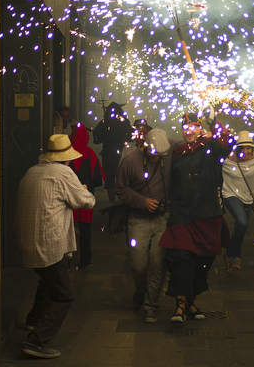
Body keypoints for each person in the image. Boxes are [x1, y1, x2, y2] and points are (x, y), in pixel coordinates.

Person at [14, 134, 96, 358]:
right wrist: (85, 188)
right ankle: (36, 341)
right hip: (48, 244)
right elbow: (86, 201)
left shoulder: (31, 172)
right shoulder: (64, 173)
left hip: (26, 243)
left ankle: (33, 320)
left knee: (47, 281)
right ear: (66, 159)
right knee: (64, 296)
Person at [158, 112, 232, 323]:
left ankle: (191, 301)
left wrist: (214, 120)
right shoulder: (177, 151)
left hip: (206, 214)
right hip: (181, 213)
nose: (188, 130)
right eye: (185, 127)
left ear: (201, 129)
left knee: (203, 261)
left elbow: (227, 143)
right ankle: (179, 306)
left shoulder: (212, 147)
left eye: (194, 126)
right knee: (180, 257)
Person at [115, 128, 178, 324]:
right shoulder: (129, 161)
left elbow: (189, 142)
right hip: (137, 219)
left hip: (162, 219)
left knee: (159, 263)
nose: (156, 158)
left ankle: (151, 306)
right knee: (138, 265)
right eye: (153, 154)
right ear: (144, 147)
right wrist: (142, 201)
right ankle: (141, 290)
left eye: (160, 155)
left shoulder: (169, 152)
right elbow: (120, 189)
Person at [221, 131, 254, 273]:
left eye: (248, 148)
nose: (246, 151)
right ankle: (233, 255)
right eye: (242, 148)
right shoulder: (227, 159)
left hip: (248, 196)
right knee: (242, 222)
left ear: (253, 149)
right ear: (237, 148)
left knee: (241, 227)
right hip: (230, 194)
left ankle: (233, 255)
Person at [69, 123, 105, 269]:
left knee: (68, 229)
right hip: (85, 197)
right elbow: (97, 179)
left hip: (69, 198)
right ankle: (85, 260)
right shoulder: (90, 154)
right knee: (85, 230)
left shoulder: (68, 154)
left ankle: (67, 260)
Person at [93, 102, 133, 203]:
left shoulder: (105, 122)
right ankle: (119, 202)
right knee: (121, 178)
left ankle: (113, 202)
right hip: (120, 154)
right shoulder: (124, 122)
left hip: (108, 155)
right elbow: (130, 136)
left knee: (110, 179)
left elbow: (96, 138)